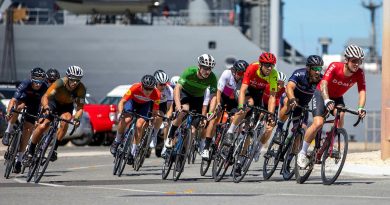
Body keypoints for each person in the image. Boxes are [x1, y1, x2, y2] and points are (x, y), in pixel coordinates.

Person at [296, 45, 367, 168]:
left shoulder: (359, 73)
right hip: (321, 93)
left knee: (341, 114)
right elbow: (323, 82)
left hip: (337, 97)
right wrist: (326, 100)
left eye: (359, 61)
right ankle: (302, 153)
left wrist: (361, 107)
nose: (357, 64)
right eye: (354, 60)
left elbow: (362, 91)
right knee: (318, 123)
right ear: (346, 60)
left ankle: (331, 141)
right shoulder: (335, 66)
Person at [225, 52, 279, 175]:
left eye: (272, 65)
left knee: (250, 131)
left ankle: (239, 162)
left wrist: (270, 114)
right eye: (267, 65)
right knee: (247, 105)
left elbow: (272, 97)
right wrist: (240, 106)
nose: (269, 68)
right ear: (261, 64)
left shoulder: (273, 74)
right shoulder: (252, 68)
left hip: (258, 92)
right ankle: (230, 131)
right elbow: (243, 90)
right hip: (245, 89)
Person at [24, 66, 86, 165]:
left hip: (66, 106)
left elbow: (80, 108)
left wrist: (77, 118)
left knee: (66, 120)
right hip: (53, 103)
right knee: (43, 125)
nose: (75, 82)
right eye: (73, 79)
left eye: (77, 80)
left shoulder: (81, 89)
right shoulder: (60, 83)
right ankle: (31, 150)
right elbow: (45, 96)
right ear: (68, 77)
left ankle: (54, 149)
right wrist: (46, 107)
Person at [164, 54, 218, 150]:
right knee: (184, 110)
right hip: (186, 94)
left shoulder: (212, 78)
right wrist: (178, 105)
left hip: (198, 98)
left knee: (193, 130)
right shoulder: (189, 72)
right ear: (199, 66)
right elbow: (177, 88)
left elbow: (213, 97)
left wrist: (211, 111)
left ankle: (183, 151)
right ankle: (170, 135)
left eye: (210, 68)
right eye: (205, 68)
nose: (207, 71)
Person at [2, 68, 47, 173]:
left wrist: (42, 116)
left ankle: (19, 160)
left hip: (34, 105)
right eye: (35, 81)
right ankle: (8, 131)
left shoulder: (45, 87)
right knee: (18, 107)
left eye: (40, 81)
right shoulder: (25, 83)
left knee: (28, 130)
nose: (37, 84)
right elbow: (13, 100)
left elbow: (46, 104)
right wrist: (9, 112)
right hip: (24, 99)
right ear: (31, 78)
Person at [201, 60, 249, 159]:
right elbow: (219, 91)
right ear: (234, 71)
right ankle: (206, 148)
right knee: (214, 119)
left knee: (235, 120)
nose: (241, 76)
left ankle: (228, 145)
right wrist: (218, 103)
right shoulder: (227, 74)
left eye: (244, 74)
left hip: (234, 101)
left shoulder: (244, 79)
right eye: (240, 73)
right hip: (223, 96)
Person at [110, 75, 160, 165]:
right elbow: (122, 102)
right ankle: (117, 141)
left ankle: (132, 152)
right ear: (141, 86)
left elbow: (155, 111)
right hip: (132, 102)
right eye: (146, 88)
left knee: (139, 125)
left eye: (150, 89)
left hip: (145, 106)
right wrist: (121, 113)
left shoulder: (156, 94)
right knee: (127, 119)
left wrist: (152, 119)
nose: (148, 91)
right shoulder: (135, 87)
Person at [273, 55, 324, 144]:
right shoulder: (300, 74)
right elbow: (289, 87)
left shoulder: (321, 79)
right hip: (292, 98)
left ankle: (291, 155)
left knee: (303, 129)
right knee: (287, 102)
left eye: (319, 69)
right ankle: (279, 129)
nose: (317, 72)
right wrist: (292, 99)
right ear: (308, 68)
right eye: (315, 68)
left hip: (303, 105)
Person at [151, 70, 173, 148]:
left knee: (159, 116)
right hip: (151, 102)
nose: (163, 87)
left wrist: (167, 117)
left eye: (165, 84)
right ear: (156, 83)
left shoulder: (169, 90)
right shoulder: (151, 88)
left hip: (161, 104)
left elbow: (170, 107)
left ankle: (154, 135)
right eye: (161, 84)